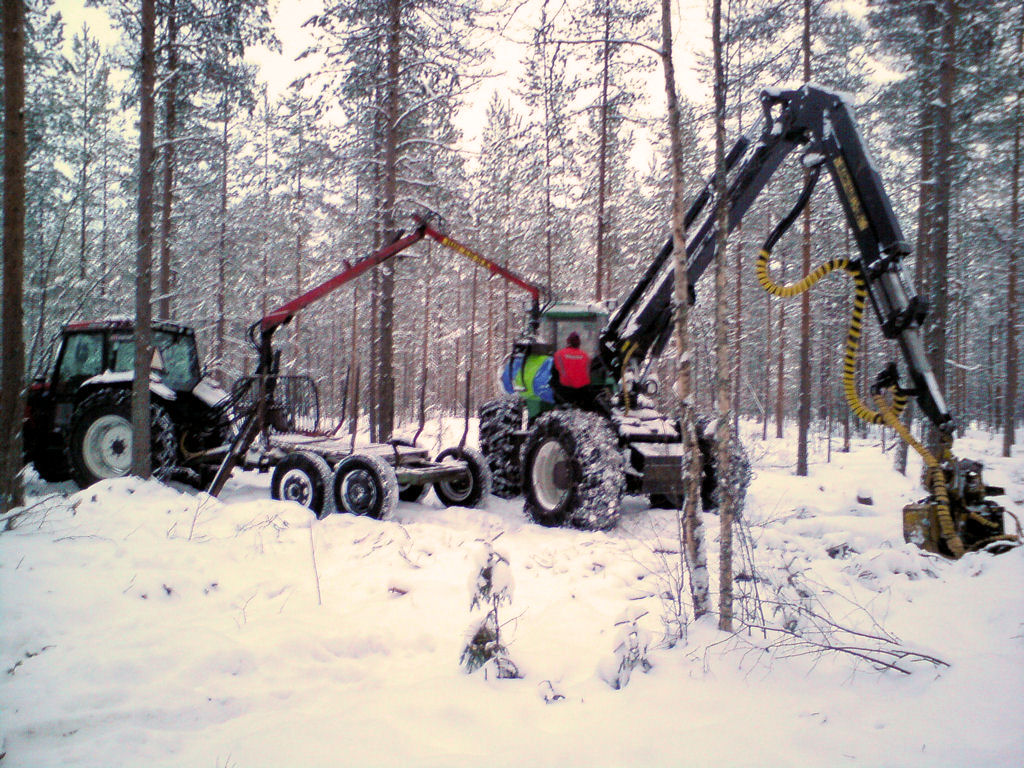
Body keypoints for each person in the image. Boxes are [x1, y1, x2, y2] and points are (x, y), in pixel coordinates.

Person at [553, 332, 591, 405]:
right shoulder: (586, 356)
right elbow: (587, 373)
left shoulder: (559, 354)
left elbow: (555, 371)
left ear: (567, 341)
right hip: (582, 392)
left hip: (564, 391)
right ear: (579, 343)